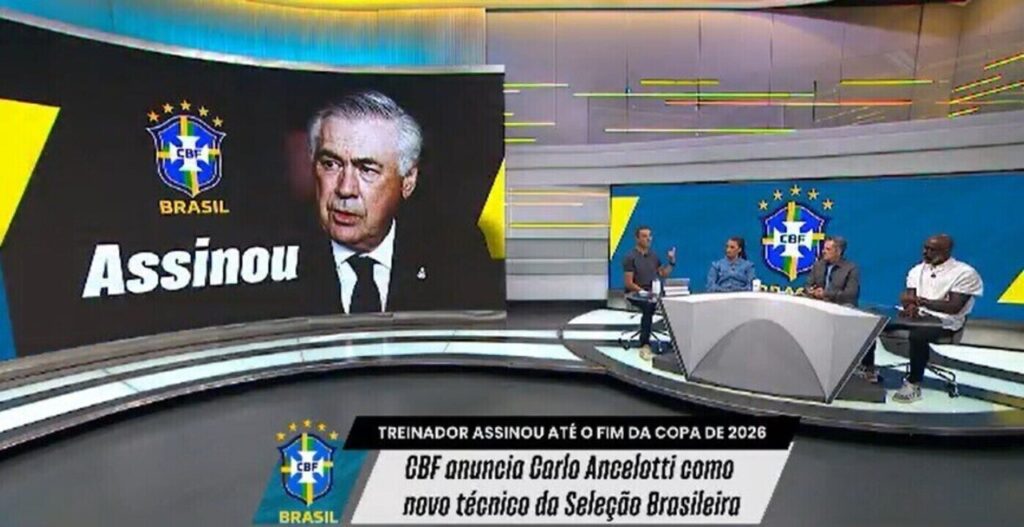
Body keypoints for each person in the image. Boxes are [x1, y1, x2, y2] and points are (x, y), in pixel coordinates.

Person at [304, 90, 427, 314]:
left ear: (408, 180)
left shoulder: (453, 258)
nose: (345, 189)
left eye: (367, 169)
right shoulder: (274, 263)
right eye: (331, 164)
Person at [893, 234, 983, 403]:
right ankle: (868, 370)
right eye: (925, 248)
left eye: (931, 249)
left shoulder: (965, 273)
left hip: (946, 322)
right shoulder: (917, 270)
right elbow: (911, 297)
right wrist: (910, 306)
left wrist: (921, 302)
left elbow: (954, 307)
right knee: (875, 323)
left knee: (918, 335)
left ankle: (913, 383)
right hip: (918, 317)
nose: (925, 252)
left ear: (946, 251)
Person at [802, 236, 877, 382]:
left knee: (868, 326)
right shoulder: (818, 265)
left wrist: (826, 293)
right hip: (819, 306)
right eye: (824, 248)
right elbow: (807, 285)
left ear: (838, 251)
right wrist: (811, 291)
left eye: (828, 249)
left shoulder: (851, 268)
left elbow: (851, 294)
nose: (823, 251)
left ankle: (867, 368)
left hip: (841, 307)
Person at [623, 226, 677, 361]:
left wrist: (671, 262)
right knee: (649, 306)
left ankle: (676, 343)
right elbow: (628, 283)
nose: (648, 239)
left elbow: (662, 273)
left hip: (652, 292)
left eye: (650, 236)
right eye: (644, 236)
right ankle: (644, 344)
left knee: (674, 303)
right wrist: (643, 292)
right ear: (637, 239)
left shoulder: (653, 256)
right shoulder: (630, 257)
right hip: (634, 293)